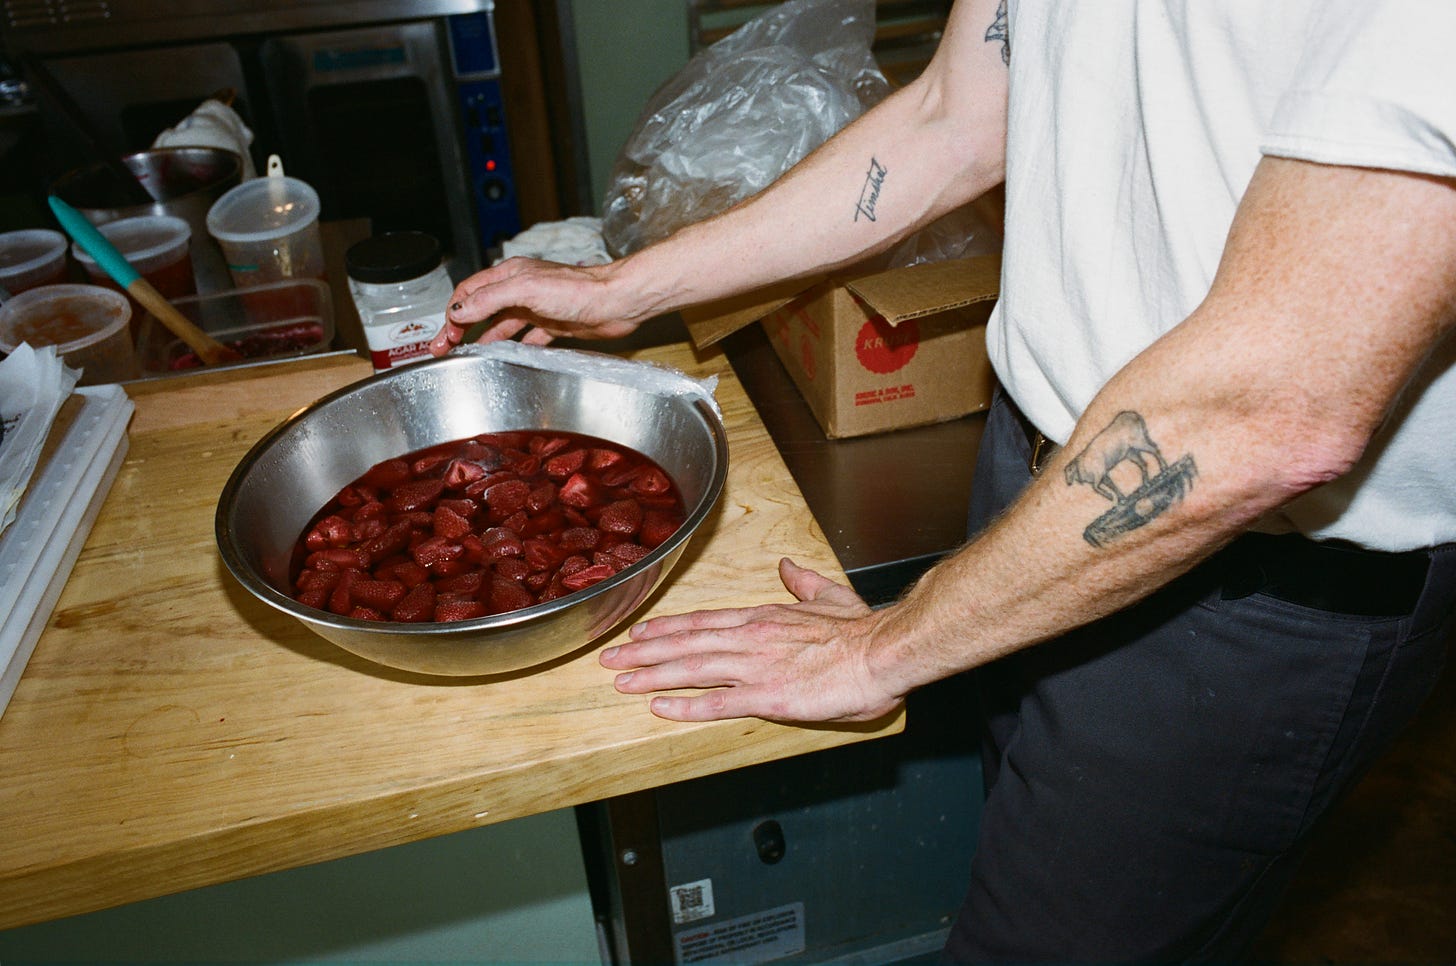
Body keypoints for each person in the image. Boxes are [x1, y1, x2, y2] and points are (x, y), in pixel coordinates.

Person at [431, 1, 1456, 959]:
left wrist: (884, 647)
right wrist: (626, 286)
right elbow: (951, 119)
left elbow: (1265, 414)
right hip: (1034, 464)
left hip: (1240, 582)